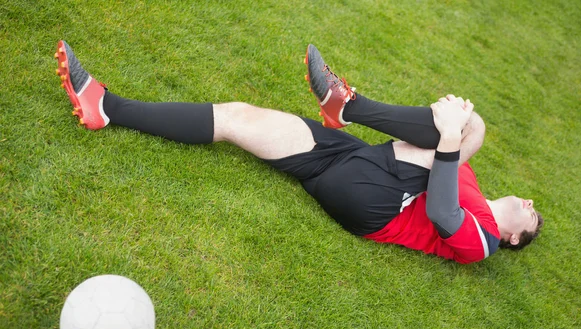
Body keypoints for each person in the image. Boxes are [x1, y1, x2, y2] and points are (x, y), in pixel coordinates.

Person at [53, 40, 543, 264]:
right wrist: (450, 137)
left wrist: (453, 134)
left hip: (371, 202)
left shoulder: (484, 243)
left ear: (516, 239)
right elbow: (442, 159)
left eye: (532, 218)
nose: (530, 205)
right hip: (356, 159)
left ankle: (351, 107)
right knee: (237, 116)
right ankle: (106, 107)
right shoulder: (471, 178)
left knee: (468, 128)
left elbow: (439, 209)